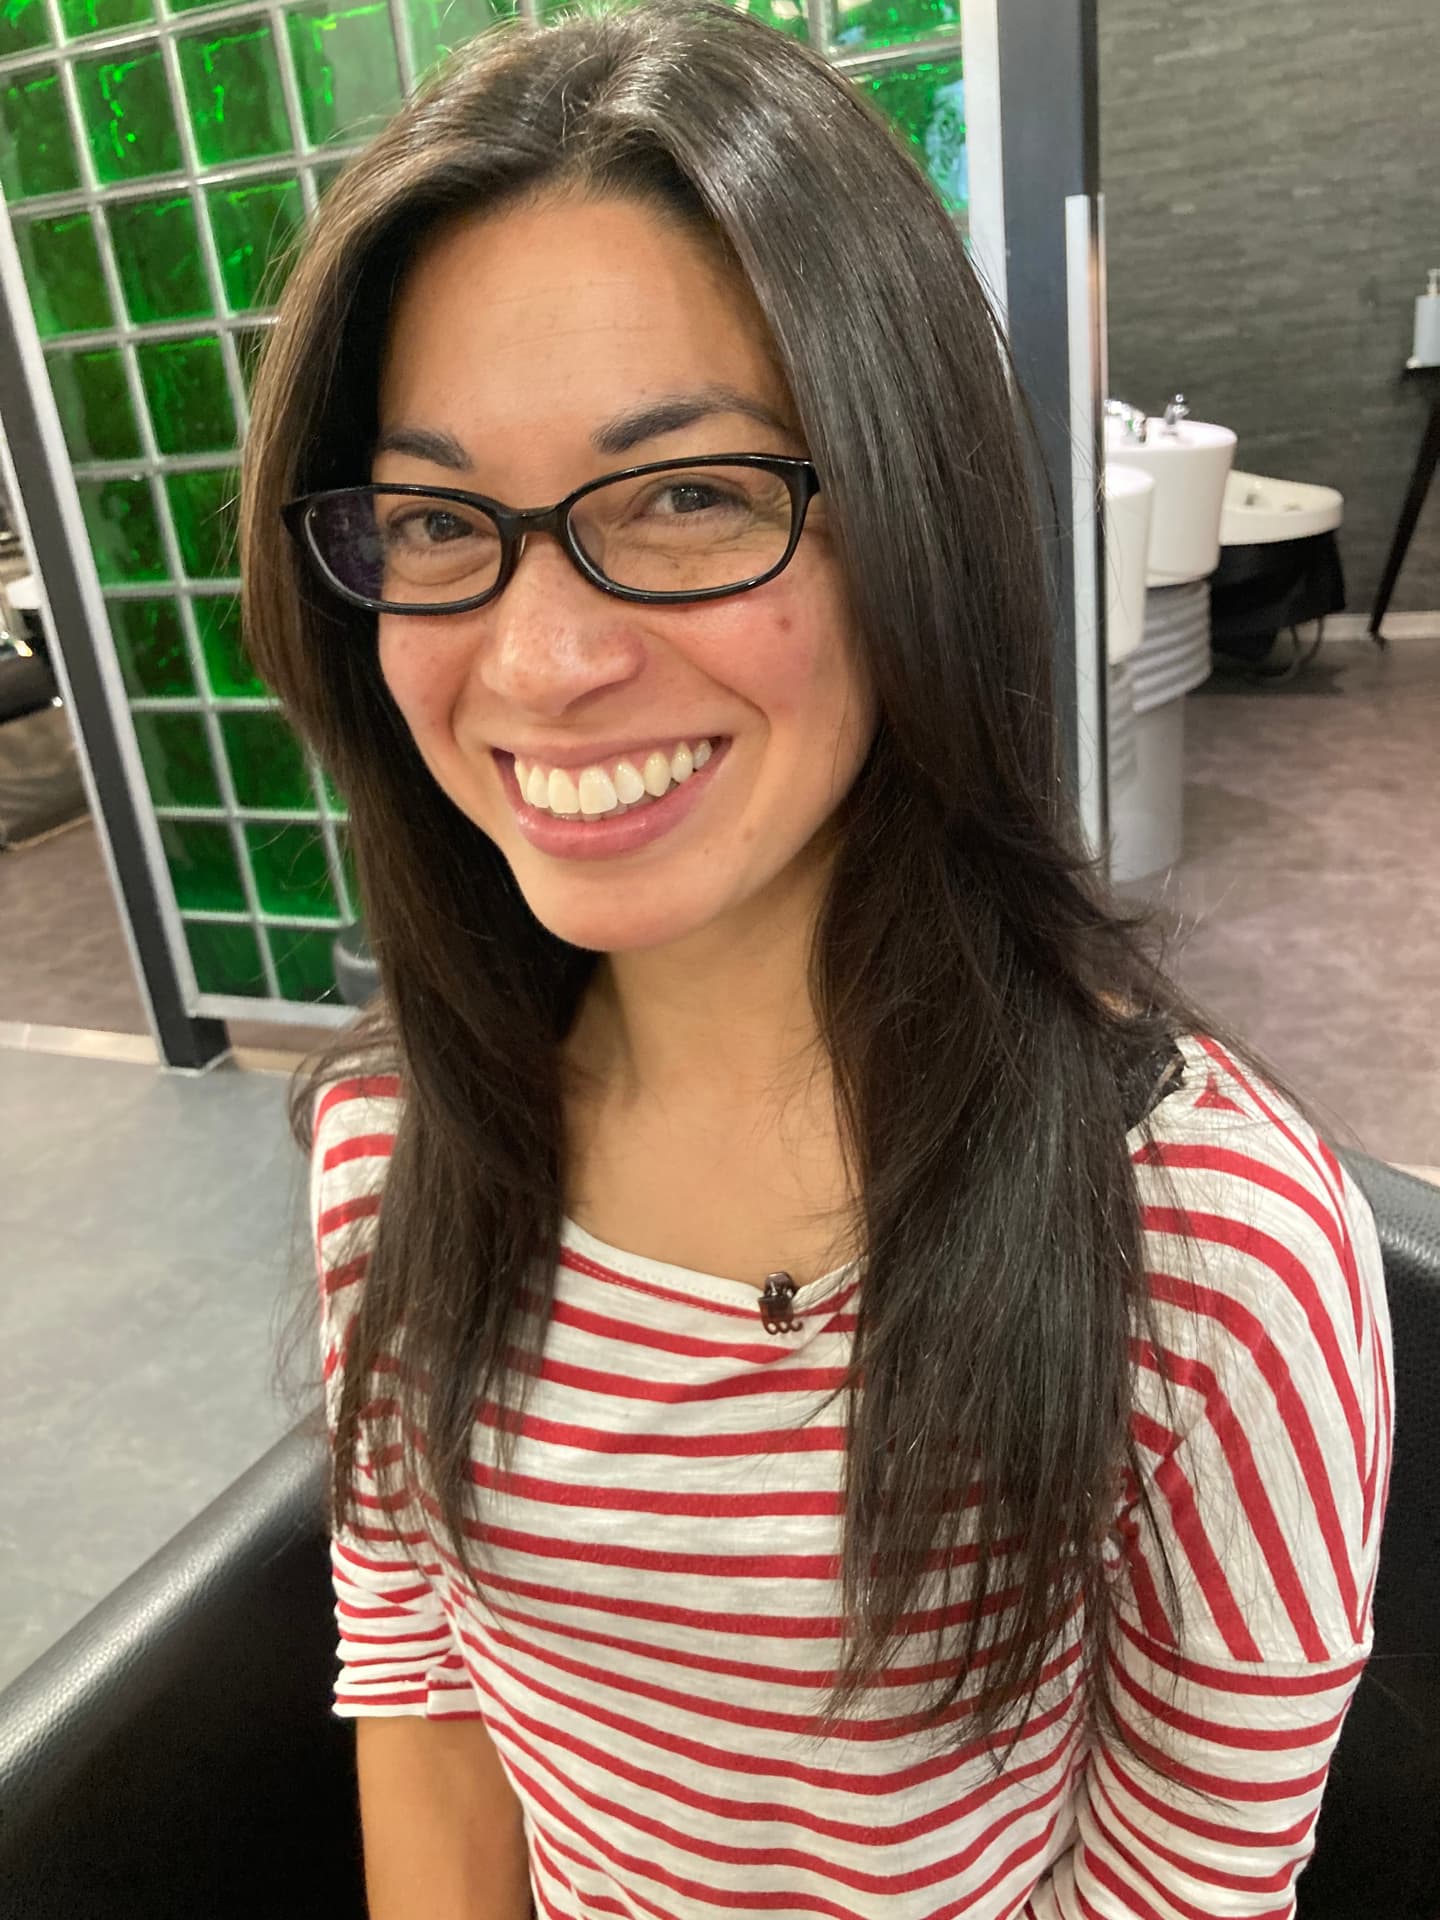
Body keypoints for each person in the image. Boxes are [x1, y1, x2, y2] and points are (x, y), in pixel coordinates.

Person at [240, 4, 1394, 1914]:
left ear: (908, 518)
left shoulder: (1204, 1255)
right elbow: (426, 1696)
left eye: (688, 493)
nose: (534, 664)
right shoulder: (399, 1134)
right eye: (442, 522)